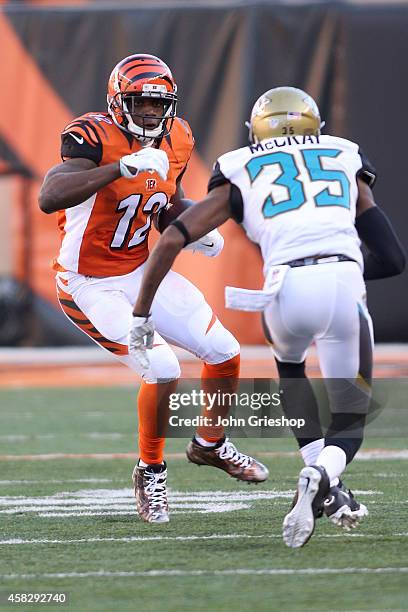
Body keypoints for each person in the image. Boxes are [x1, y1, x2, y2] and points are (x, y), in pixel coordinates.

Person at [129, 86, 405, 545]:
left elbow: (175, 237)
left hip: (281, 290)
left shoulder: (240, 164)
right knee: (350, 422)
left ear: (257, 130)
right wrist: (344, 272)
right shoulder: (344, 154)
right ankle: (325, 474)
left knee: (291, 375)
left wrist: (141, 311)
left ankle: (329, 488)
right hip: (340, 284)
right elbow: (393, 259)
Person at [38, 54, 268, 525]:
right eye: (140, 103)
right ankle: (150, 469)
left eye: (156, 104)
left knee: (224, 350)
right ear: (118, 102)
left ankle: (210, 444)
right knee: (162, 367)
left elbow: (157, 200)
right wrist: (117, 168)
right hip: (88, 282)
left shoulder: (178, 136)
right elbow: (50, 196)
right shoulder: (92, 135)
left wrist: (190, 224)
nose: (148, 113)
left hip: (141, 269)